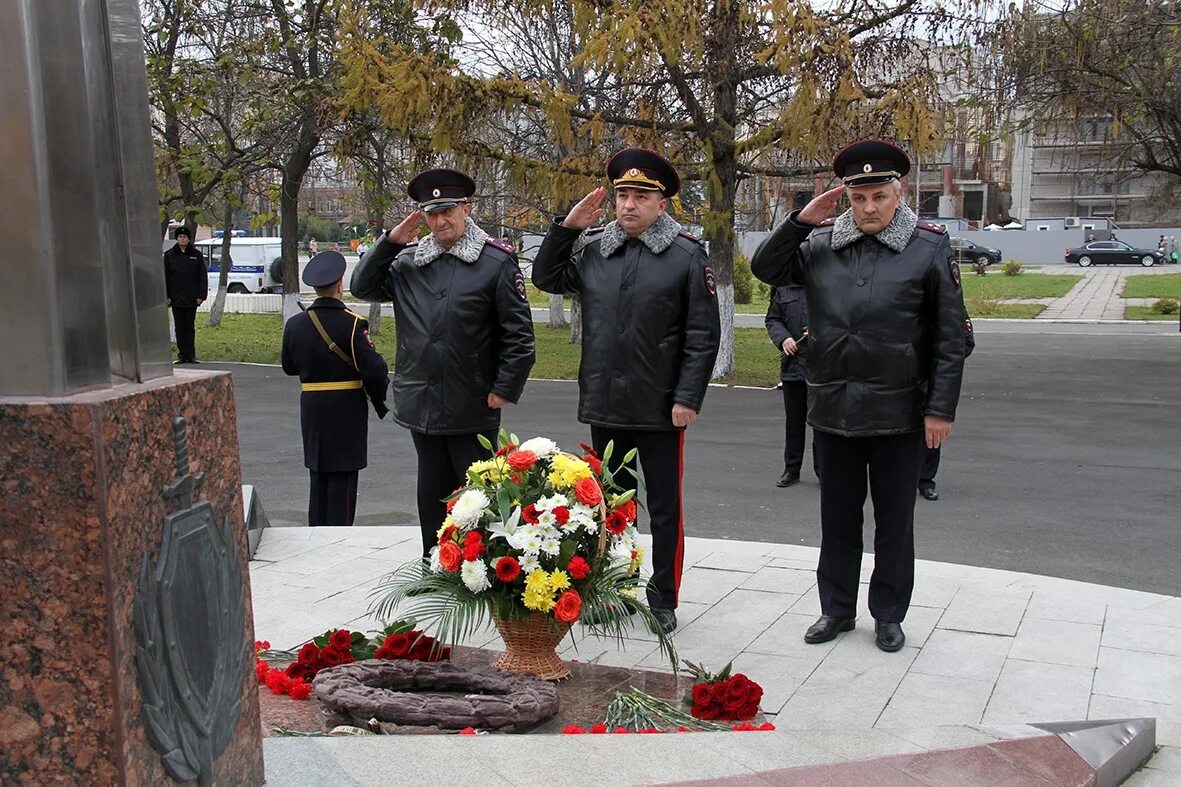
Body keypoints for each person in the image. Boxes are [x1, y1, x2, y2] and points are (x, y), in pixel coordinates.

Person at [751, 139, 967, 653]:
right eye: (858, 197)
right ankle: (837, 610)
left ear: (900, 192)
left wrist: (940, 409)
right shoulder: (821, 245)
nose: (869, 208)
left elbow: (951, 337)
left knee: (895, 523)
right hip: (833, 411)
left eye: (879, 196)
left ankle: (889, 615)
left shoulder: (929, 246)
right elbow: (765, 267)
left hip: (901, 412)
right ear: (845, 196)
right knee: (838, 520)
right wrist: (800, 222)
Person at [532, 148, 721, 634]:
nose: (629, 204)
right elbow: (546, 277)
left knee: (663, 507)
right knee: (611, 506)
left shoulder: (685, 255)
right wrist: (566, 230)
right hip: (606, 402)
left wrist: (688, 398)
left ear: (662, 203)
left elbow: (703, 334)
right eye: (622, 195)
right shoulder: (597, 249)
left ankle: (663, 598)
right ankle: (614, 588)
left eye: (641, 196)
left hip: (660, 405)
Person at [351, 168, 535, 553]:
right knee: (430, 489)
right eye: (432, 213)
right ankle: (434, 561)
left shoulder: (494, 263)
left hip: (473, 399)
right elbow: (361, 286)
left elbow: (519, 337)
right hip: (422, 400)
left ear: (466, 210)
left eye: (448, 210)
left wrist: (504, 388)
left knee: (475, 494)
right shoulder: (407, 263)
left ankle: (477, 566)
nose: (440, 220)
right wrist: (389, 242)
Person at [281, 251, 390, 526]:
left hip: (313, 406)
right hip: (345, 407)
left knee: (318, 475)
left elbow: (288, 366)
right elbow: (375, 370)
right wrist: (378, 399)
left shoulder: (295, 324)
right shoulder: (352, 324)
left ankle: (315, 534)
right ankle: (339, 537)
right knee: (343, 479)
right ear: (340, 284)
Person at [765, 285, 818, 487]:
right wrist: (784, 338)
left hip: (822, 368)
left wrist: (821, 327)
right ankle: (791, 469)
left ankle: (823, 471)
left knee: (822, 424)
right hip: (793, 366)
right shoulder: (783, 287)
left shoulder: (823, 279)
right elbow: (773, 318)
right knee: (794, 422)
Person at [918, 316, 976, 501]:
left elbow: (965, 341)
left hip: (928, 375)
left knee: (931, 430)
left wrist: (938, 364)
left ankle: (925, 480)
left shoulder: (943, 298)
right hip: (894, 373)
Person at [163, 225, 207, 364]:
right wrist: (167, 296)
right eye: (180, 237)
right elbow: (165, 277)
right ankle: (182, 355)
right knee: (179, 327)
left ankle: (191, 354)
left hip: (191, 297)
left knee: (189, 327)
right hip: (176, 298)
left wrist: (201, 296)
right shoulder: (170, 255)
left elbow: (202, 277)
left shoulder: (196, 255)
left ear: (189, 239)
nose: (182, 239)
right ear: (177, 239)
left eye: (185, 237)